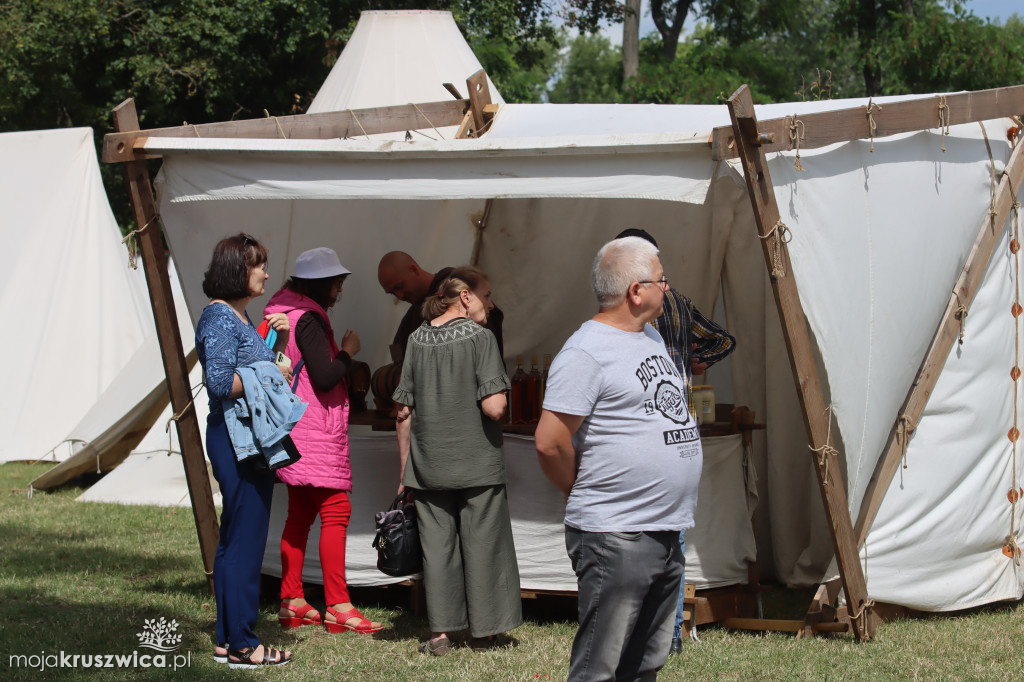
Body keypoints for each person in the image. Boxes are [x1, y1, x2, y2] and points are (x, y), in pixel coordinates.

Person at [536, 236, 699, 681]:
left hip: (663, 527)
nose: (668, 289)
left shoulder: (648, 335)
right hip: (617, 532)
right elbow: (550, 442)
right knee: (600, 667)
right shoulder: (586, 352)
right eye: (662, 281)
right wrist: (582, 489)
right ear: (636, 290)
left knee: (647, 660)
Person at [615, 228, 736, 653]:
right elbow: (725, 339)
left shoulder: (631, 311)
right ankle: (668, 636)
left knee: (638, 530)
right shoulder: (679, 302)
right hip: (682, 426)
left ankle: (645, 633)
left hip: (645, 425)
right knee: (674, 530)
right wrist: (702, 360)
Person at [391, 266, 521, 656]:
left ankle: (440, 634)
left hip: (429, 464)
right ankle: (483, 632)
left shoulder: (416, 339)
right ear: (465, 297)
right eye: (488, 294)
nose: (492, 303)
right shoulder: (482, 339)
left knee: (437, 546)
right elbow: (494, 407)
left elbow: (402, 411)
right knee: (483, 543)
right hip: (477, 462)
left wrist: (405, 471)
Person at [264, 247, 383, 635]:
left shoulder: (282, 312)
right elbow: (326, 376)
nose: (339, 291)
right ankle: (339, 606)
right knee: (336, 511)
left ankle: (292, 600)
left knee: (299, 514)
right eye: (338, 284)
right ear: (322, 284)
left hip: (294, 427)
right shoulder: (309, 320)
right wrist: (348, 353)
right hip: (314, 427)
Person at [195, 233, 294, 668]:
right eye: (259, 265)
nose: (266, 273)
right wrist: (275, 373)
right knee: (245, 543)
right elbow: (220, 383)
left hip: (243, 438)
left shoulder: (235, 316)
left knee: (235, 539)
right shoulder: (219, 318)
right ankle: (244, 645)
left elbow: (251, 370)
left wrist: (278, 350)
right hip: (239, 441)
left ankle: (226, 638)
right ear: (237, 268)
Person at [377, 251, 504, 358]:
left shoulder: (457, 289)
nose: (400, 296)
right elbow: (397, 352)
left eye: (399, 286)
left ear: (413, 270)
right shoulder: (414, 312)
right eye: (393, 293)